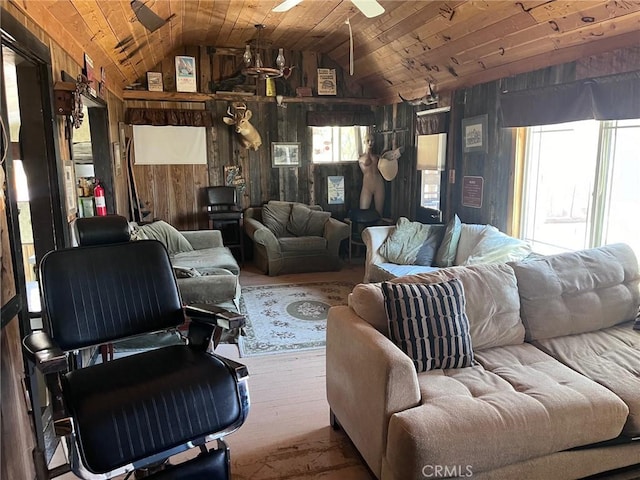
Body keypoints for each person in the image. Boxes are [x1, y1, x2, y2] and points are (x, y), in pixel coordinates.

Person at [359, 134, 385, 216]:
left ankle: (378, 228)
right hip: (367, 186)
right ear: (364, 142)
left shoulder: (378, 157)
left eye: (372, 140)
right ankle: (363, 229)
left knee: (379, 214)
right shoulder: (361, 157)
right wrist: (367, 151)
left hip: (378, 184)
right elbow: (366, 159)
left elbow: (389, 160)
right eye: (368, 140)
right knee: (363, 213)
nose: (370, 143)